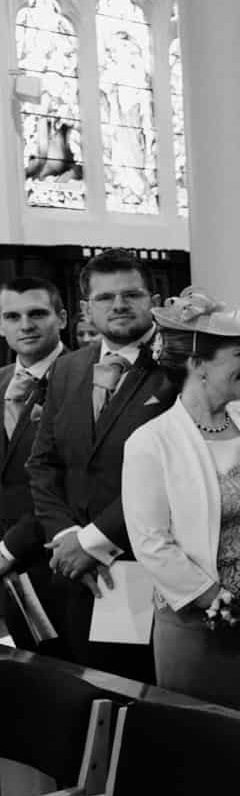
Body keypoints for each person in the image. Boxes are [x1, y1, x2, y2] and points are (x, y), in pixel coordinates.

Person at [121, 290, 240, 727]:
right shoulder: (151, 442)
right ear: (198, 364)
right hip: (203, 631)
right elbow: (153, 545)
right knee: (212, 751)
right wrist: (224, 606)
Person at [28, 249, 175, 681]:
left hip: (146, 565)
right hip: (72, 567)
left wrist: (94, 541)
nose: (120, 305)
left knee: (146, 695)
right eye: (106, 298)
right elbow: (42, 465)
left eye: (132, 294)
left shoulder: (179, 370)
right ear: (85, 309)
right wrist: (66, 537)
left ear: (153, 298)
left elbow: (169, 476)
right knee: (86, 687)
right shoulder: (70, 368)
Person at [0, 277, 70, 656]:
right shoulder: (1, 382)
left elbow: (74, 480)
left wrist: (8, 549)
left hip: (61, 560)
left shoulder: (85, 378)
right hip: (9, 572)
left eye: (37, 313)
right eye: (12, 316)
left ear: (61, 317)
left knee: (79, 679)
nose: (25, 325)